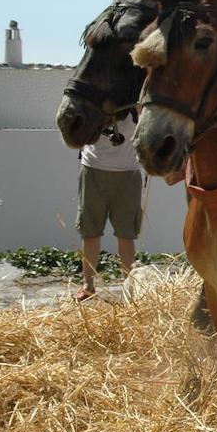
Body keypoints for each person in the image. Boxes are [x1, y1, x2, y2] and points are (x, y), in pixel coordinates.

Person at [75, 115, 144, 301]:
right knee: (90, 231)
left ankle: (129, 288)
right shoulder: (93, 100)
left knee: (126, 233)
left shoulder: (135, 101)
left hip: (128, 172)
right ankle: (88, 286)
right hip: (92, 168)